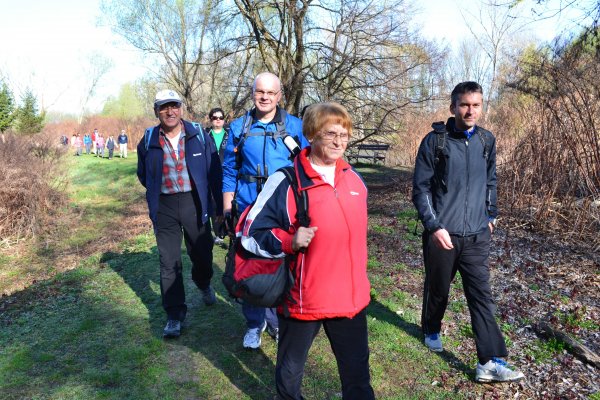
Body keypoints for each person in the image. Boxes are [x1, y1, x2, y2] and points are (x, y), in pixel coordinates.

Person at [241, 102, 375, 399]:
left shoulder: (355, 180)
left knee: (358, 378)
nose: (339, 142)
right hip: (303, 299)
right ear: (312, 135)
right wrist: (288, 241)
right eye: (330, 134)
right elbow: (250, 234)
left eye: (344, 135)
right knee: (290, 377)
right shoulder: (287, 181)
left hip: (350, 299)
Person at [412, 81, 524, 383]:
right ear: (453, 107)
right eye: (464, 105)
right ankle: (431, 328)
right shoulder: (435, 142)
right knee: (438, 289)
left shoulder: (486, 140)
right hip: (442, 235)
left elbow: (491, 181)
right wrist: (434, 227)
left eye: (476, 105)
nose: (470, 110)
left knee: (481, 296)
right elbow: (420, 189)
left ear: (482, 107)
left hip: (476, 235)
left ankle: (488, 361)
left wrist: (491, 215)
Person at [222, 72, 309, 349]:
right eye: (260, 92)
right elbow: (229, 170)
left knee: (281, 264)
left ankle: (278, 320)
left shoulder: (295, 126)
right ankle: (253, 323)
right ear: (253, 94)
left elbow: (307, 166)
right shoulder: (239, 127)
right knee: (250, 264)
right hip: (247, 206)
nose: (265, 97)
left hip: (282, 208)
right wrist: (227, 208)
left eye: (271, 92)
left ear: (279, 96)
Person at [137, 89, 223, 339]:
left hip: (194, 202)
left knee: (202, 254)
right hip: (164, 206)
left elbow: (214, 172)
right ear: (156, 111)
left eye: (174, 106)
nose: (170, 111)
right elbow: (144, 174)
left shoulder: (198, 134)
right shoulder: (149, 139)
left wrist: (218, 208)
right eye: (164, 107)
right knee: (168, 261)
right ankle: (174, 314)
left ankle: (203, 282)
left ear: (181, 108)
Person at [206, 107, 229, 246]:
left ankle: (229, 229)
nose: (218, 120)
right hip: (211, 175)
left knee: (228, 202)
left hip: (228, 174)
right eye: (215, 118)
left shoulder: (230, 134)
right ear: (211, 119)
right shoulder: (205, 135)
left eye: (221, 117)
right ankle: (219, 233)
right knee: (214, 204)